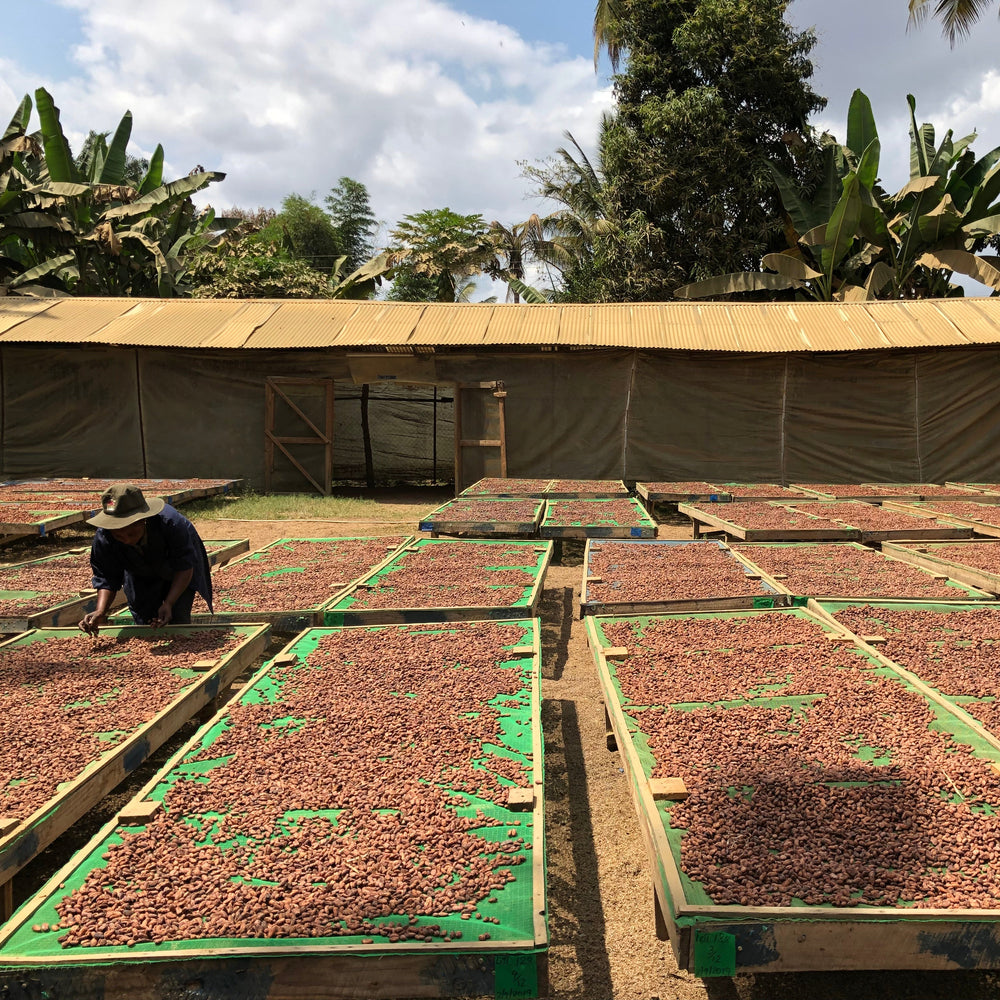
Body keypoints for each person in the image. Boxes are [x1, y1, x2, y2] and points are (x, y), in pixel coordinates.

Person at [78, 483, 213, 634]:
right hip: (138, 571)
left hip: (175, 569)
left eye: (130, 534)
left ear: (143, 521)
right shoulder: (104, 536)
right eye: (118, 536)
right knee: (144, 619)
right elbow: (106, 576)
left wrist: (168, 603)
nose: (126, 540)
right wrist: (100, 610)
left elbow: (184, 567)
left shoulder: (171, 523)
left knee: (177, 617)